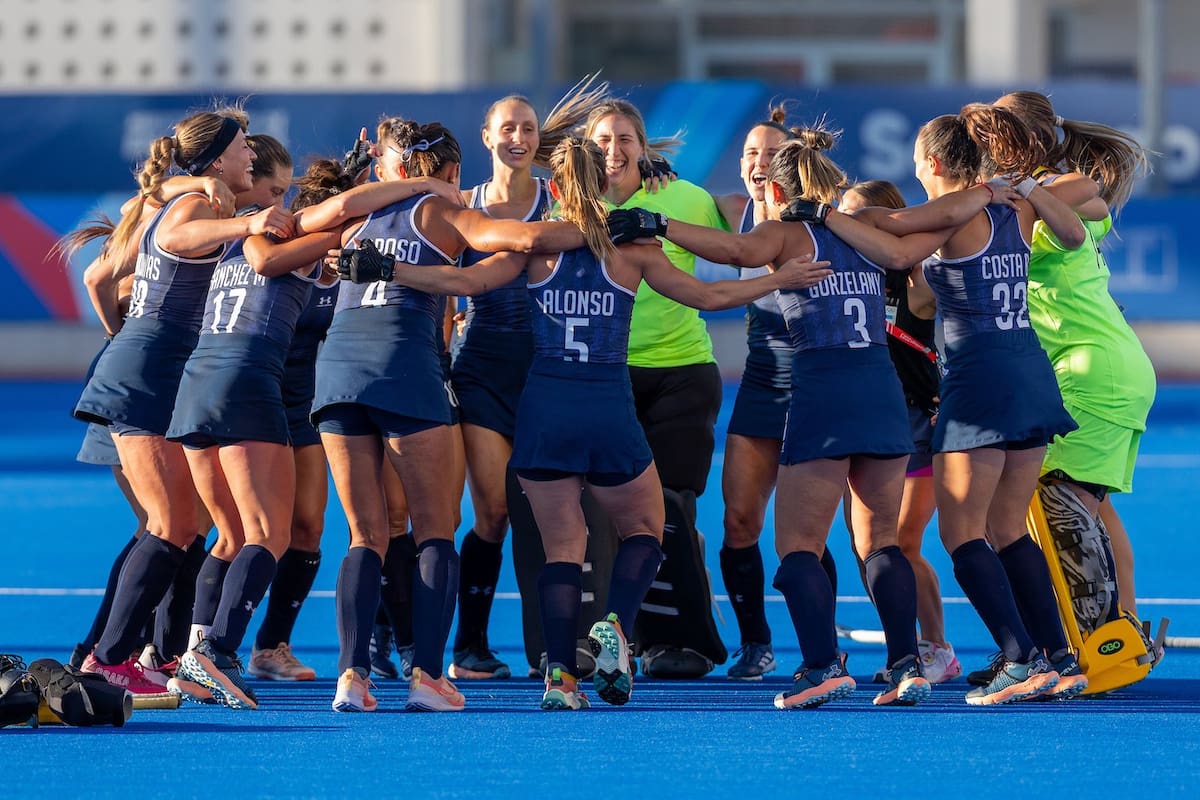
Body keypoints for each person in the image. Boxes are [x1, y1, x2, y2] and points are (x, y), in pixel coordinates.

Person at [360, 135, 831, 709]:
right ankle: (615, 624)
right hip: (607, 405)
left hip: (544, 409)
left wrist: (388, 267)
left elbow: (462, 283)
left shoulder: (533, 249)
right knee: (645, 531)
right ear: (604, 184)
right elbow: (709, 297)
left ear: (555, 188)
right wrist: (777, 281)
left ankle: (561, 677)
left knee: (562, 549)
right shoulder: (631, 249)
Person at [626, 128, 940, 708]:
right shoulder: (867, 228)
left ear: (777, 184)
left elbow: (733, 253)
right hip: (882, 394)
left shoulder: (784, 234)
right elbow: (920, 232)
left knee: (797, 547)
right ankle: (907, 665)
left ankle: (821, 665)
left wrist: (658, 225)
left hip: (822, 397)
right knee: (880, 545)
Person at [805, 103, 1092, 704]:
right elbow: (934, 298)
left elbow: (897, 242)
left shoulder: (953, 215)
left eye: (915, 161)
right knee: (1009, 529)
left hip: (980, 378)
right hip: (1028, 369)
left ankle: (1019, 659)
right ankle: (1061, 656)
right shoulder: (1013, 207)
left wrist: (827, 214)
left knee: (964, 536)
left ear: (933, 162)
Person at [311, 119, 599, 713]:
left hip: (336, 371)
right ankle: (427, 677)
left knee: (364, 534)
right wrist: (599, 223)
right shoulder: (441, 213)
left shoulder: (352, 216)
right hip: (404, 370)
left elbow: (301, 225)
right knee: (435, 526)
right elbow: (515, 241)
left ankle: (351, 677)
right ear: (448, 174)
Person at [71, 107, 294, 696]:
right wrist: (243, 226)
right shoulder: (199, 208)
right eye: (244, 148)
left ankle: (133, 657)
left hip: (162, 373)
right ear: (218, 157)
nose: (253, 156)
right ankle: (107, 661)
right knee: (168, 523)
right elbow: (173, 235)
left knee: (180, 524)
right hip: (146, 372)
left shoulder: (197, 193)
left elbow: (156, 200)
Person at [448, 76, 610, 681]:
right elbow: (444, 293)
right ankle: (470, 645)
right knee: (492, 513)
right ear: (487, 136)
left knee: (558, 515)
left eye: (528, 128)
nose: (518, 137)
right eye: (507, 128)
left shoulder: (564, 202)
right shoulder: (461, 206)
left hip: (549, 373)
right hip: (483, 370)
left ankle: (559, 646)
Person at [992, 90, 1156, 636]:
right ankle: (1119, 632)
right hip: (1098, 366)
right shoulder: (1040, 194)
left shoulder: (1058, 191)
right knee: (1086, 507)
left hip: (1095, 371)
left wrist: (1024, 186)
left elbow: (1091, 194)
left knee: (1055, 499)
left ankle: (1102, 641)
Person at [583, 98, 730, 678]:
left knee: (671, 510)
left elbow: (745, 234)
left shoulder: (685, 197)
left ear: (643, 148)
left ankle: (689, 642)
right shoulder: (572, 205)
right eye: (602, 140)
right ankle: (627, 638)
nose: (613, 150)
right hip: (604, 376)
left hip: (682, 374)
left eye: (625, 139)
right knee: (614, 516)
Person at [838, 180, 960, 685]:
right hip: (860, 417)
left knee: (902, 543)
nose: (845, 228)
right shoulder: (842, 276)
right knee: (865, 546)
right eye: (842, 217)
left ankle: (937, 649)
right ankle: (903, 645)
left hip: (917, 424)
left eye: (858, 219)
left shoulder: (917, 280)